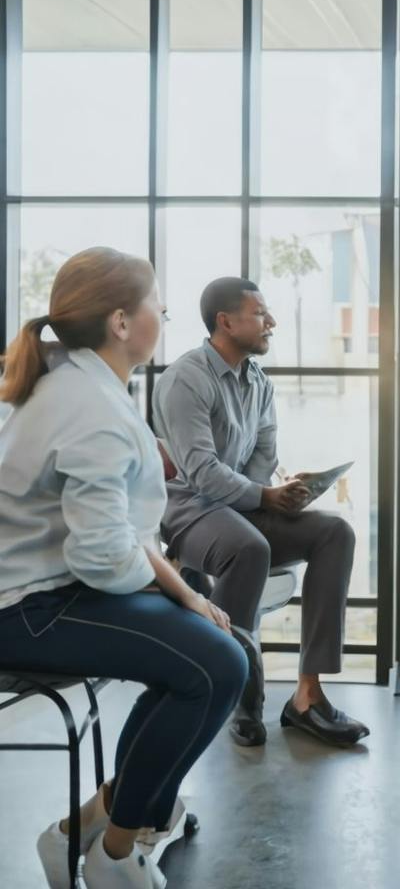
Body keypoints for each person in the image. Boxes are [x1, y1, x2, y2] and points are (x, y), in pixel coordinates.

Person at [0, 247, 247, 889]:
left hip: (56, 590)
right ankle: (113, 855)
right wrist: (184, 595)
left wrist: (182, 595)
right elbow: (104, 555)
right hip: (27, 611)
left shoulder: (83, 383)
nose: (163, 310)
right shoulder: (89, 404)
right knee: (216, 661)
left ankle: (86, 834)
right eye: (154, 301)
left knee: (221, 649)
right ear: (119, 321)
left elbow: (114, 537)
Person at [152, 277, 367, 749]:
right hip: (188, 509)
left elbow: (261, 462)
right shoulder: (186, 378)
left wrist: (283, 493)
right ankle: (236, 693)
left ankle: (307, 696)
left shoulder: (259, 383)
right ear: (225, 322)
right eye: (260, 314)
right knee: (249, 547)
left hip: (240, 504)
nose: (271, 322)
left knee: (335, 533)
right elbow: (201, 473)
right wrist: (263, 497)